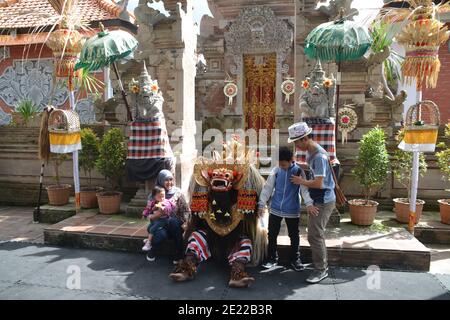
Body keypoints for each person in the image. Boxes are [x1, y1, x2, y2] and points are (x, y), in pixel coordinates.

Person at [288, 122, 336, 284]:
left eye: (296, 142)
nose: (296, 145)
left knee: (315, 235)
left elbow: (320, 183)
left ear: (304, 139)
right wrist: (297, 165)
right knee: (314, 234)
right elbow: (312, 170)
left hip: (323, 200)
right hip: (318, 199)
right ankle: (320, 265)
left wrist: (301, 180)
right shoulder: (311, 151)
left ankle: (321, 269)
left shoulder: (319, 156)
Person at [257, 146, 314, 271]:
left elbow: (304, 190)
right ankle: (272, 257)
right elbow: (268, 188)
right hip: (276, 207)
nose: (282, 166)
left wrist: (309, 203)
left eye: (284, 164)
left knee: (294, 235)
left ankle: (295, 258)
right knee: (272, 234)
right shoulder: (276, 171)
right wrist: (261, 204)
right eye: (280, 164)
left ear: (291, 160)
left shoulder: (299, 171)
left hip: (292, 209)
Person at [146, 170, 190, 263]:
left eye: (171, 179)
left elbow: (186, 210)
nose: (169, 182)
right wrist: (156, 215)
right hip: (161, 224)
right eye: (166, 180)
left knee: (172, 221)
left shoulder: (177, 192)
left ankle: (178, 253)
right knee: (160, 235)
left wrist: (186, 221)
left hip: (176, 225)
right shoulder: (154, 194)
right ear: (161, 180)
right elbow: (148, 213)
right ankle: (152, 249)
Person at [142, 186, 175, 253]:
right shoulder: (153, 202)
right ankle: (150, 238)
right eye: (159, 196)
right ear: (155, 197)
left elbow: (169, 208)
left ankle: (149, 243)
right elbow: (148, 208)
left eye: (163, 196)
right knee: (149, 227)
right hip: (156, 220)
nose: (162, 198)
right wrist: (144, 214)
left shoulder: (166, 202)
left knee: (152, 229)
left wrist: (163, 208)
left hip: (164, 220)